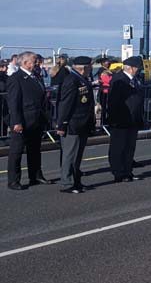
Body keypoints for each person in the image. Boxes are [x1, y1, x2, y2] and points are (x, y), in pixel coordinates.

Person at [6, 51, 54, 190]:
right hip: (23, 120)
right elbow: (13, 102)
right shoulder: (16, 78)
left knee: (35, 150)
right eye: (34, 61)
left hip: (36, 119)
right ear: (25, 63)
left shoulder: (36, 76)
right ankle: (13, 180)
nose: (36, 64)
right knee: (17, 151)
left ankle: (36, 176)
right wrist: (16, 122)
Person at [55, 56, 96, 192]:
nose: (91, 69)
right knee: (70, 155)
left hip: (82, 123)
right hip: (72, 123)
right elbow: (65, 104)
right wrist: (62, 124)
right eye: (90, 67)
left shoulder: (81, 79)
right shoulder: (71, 80)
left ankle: (76, 181)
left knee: (77, 155)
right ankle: (67, 183)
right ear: (83, 68)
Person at [107, 56, 145, 182]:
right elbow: (113, 102)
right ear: (131, 68)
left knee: (130, 147)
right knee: (118, 147)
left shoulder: (136, 80)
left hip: (133, 119)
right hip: (121, 119)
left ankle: (128, 171)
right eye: (137, 68)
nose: (139, 70)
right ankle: (118, 172)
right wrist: (115, 119)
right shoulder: (119, 80)